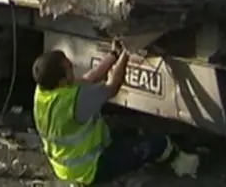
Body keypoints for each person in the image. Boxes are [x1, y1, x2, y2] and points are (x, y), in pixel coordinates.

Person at [32, 41, 199, 185]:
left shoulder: (45, 93)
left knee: (128, 131)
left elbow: (88, 79)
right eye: (69, 68)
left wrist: (114, 54)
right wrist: (127, 52)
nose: (73, 67)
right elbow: (113, 87)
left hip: (65, 168)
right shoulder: (75, 101)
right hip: (91, 169)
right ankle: (182, 163)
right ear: (61, 81)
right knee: (157, 143)